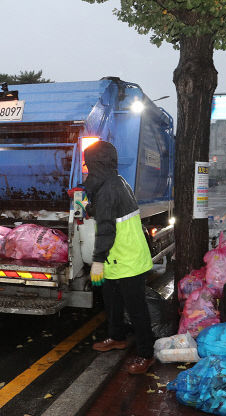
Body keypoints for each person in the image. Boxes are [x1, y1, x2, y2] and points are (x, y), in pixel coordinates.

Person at [83, 141, 156, 375]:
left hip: (127, 259)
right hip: (118, 259)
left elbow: (106, 229)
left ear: (97, 164)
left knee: (136, 309)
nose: (86, 169)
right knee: (112, 302)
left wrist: (96, 261)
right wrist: (91, 207)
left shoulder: (107, 189)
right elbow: (110, 212)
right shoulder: (117, 181)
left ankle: (146, 354)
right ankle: (117, 337)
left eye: (88, 164)